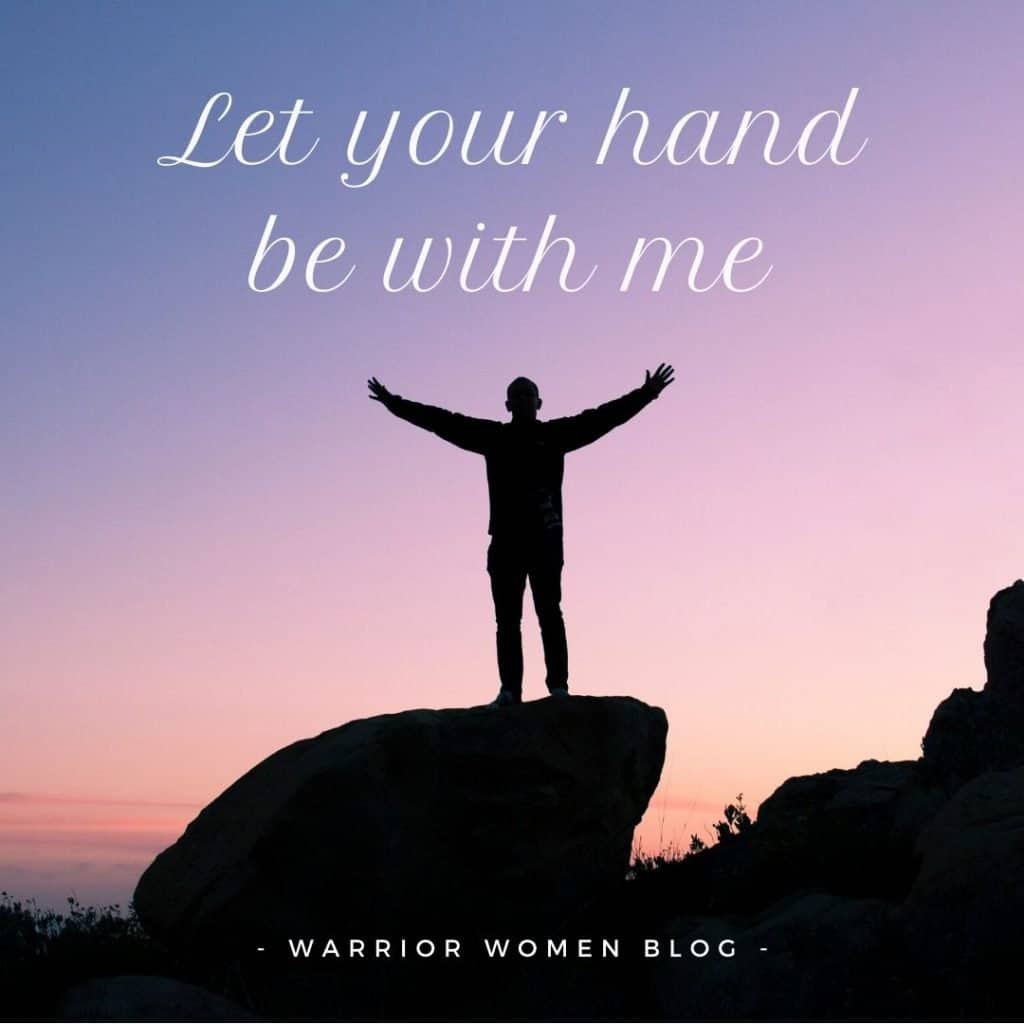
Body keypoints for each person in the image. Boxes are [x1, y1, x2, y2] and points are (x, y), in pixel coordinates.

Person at [368, 365, 675, 705]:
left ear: (540, 402)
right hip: (505, 543)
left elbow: (603, 418)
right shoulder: (494, 438)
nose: (523, 399)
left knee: (550, 613)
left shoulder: (557, 435)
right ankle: (510, 691)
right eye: (517, 395)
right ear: (507, 405)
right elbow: (442, 421)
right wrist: (393, 403)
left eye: (528, 394)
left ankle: (558, 688)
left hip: (545, 541)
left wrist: (646, 393)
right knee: (507, 621)